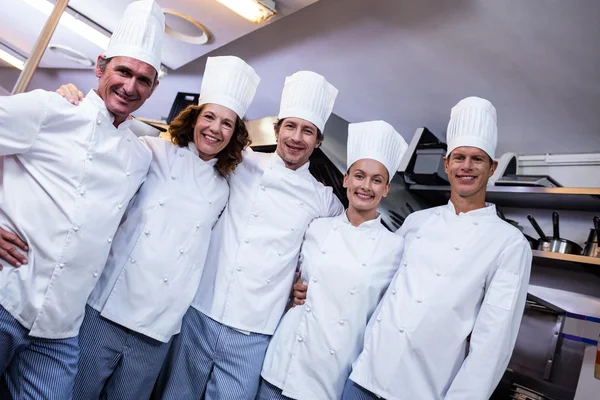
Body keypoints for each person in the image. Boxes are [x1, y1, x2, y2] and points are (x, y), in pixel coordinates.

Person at [53, 56, 259, 399]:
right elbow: (101, 135)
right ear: (194, 119)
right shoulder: (150, 151)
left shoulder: (225, 188)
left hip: (159, 327)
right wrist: (70, 97)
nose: (215, 129)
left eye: (227, 123)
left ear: (235, 134)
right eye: (209, 116)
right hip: (105, 308)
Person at [0, 0, 164, 397]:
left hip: (61, 328)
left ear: (154, 89)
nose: (130, 87)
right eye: (123, 71)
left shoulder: (142, 155)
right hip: (6, 298)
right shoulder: (51, 109)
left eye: (144, 79)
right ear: (100, 67)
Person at [152, 71, 344, 400]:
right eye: (291, 127)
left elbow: (332, 252)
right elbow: (187, 158)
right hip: (201, 310)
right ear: (277, 129)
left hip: (256, 330)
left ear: (318, 141)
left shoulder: (325, 200)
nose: (297, 138)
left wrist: (308, 284)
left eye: (308, 131)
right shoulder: (240, 163)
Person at [336, 97, 533, 399]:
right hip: (365, 375)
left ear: (491, 167)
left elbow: (492, 344)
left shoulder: (509, 244)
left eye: (477, 159)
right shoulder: (417, 221)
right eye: (459, 157)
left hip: (422, 390)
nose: (466, 167)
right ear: (446, 164)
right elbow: (372, 277)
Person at [257, 120, 409, 400]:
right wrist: (292, 290)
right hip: (282, 364)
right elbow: (287, 271)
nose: (366, 186)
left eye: (376, 180)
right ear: (345, 179)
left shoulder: (396, 248)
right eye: (359, 176)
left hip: (330, 376)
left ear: (386, 189)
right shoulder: (318, 227)